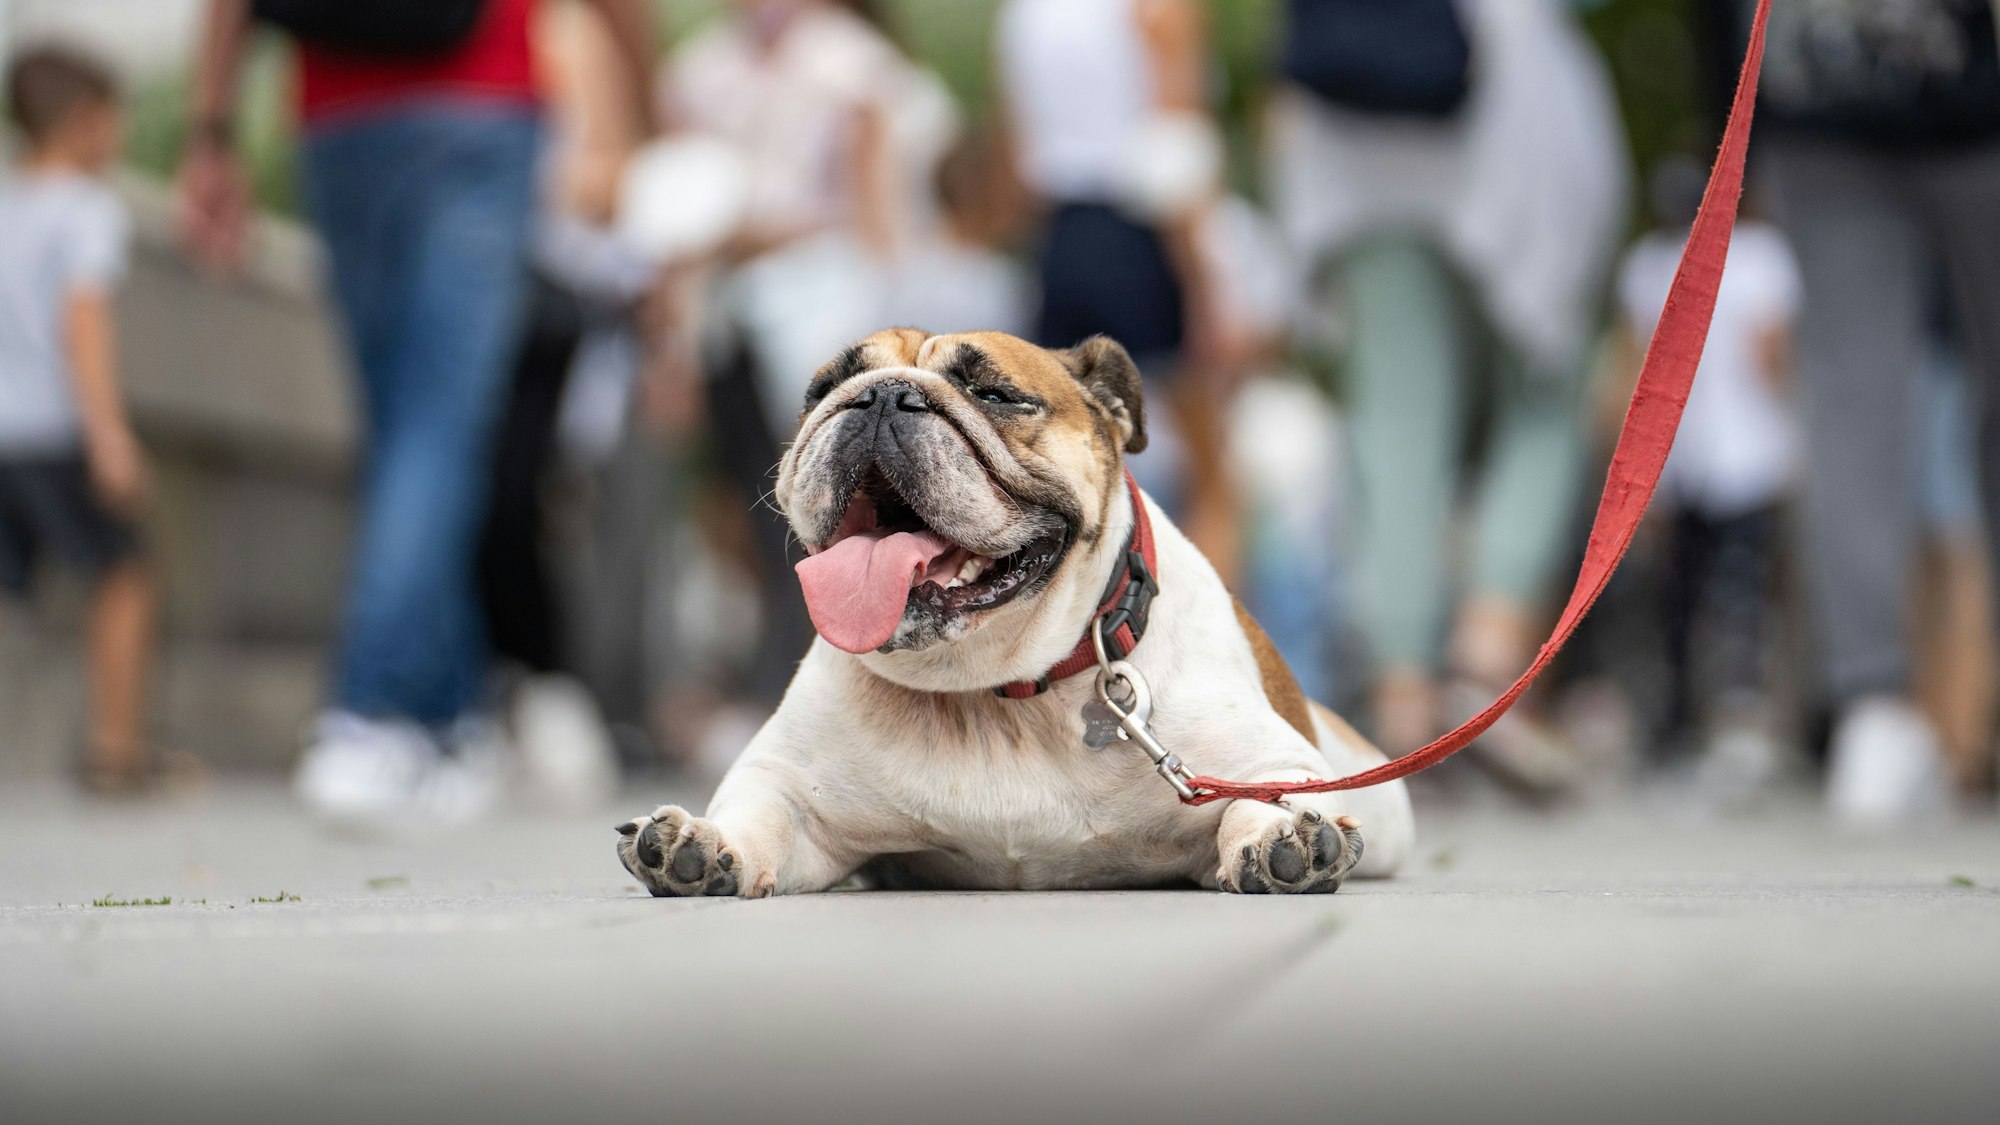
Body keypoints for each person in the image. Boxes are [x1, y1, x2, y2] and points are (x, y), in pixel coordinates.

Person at [179, 0, 656, 823]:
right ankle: (371, 713)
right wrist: (648, 109)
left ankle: (444, 717)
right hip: (479, 105)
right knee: (439, 426)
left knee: (400, 425)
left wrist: (212, 131)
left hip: (338, 122)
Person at [1265, 0, 1628, 796]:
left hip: (1353, 154)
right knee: (1545, 402)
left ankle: (1401, 702)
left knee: (1394, 429)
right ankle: (1483, 660)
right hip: (1512, 130)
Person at [1728, 0, 2000, 823]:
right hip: (1876, 94)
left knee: (1850, 406)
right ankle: (1877, 704)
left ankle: (1872, 707)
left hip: (1821, 85)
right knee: (1854, 405)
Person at [995, 0, 1239, 579]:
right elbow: (1174, 155)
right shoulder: (1157, 10)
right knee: (1214, 476)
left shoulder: (1024, 16)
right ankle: (1211, 642)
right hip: (1142, 235)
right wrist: (1209, 286)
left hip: (1059, 240)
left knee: (1068, 470)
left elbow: (1018, 157)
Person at [1615, 159, 1803, 807]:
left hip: (1690, 456)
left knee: (1681, 599)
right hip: (1748, 453)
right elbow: (1774, 355)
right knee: (1745, 594)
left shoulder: (1649, 262)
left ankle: (1679, 723)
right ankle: (1737, 718)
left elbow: (1634, 362)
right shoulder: (1762, 256)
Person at [0, 46, 158, 792]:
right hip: (57, 427)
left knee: (11, 593)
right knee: (122, 578)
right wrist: (110, 435)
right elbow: (84, 321)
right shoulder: (88, 211)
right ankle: (114, 751)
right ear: (85, 123)